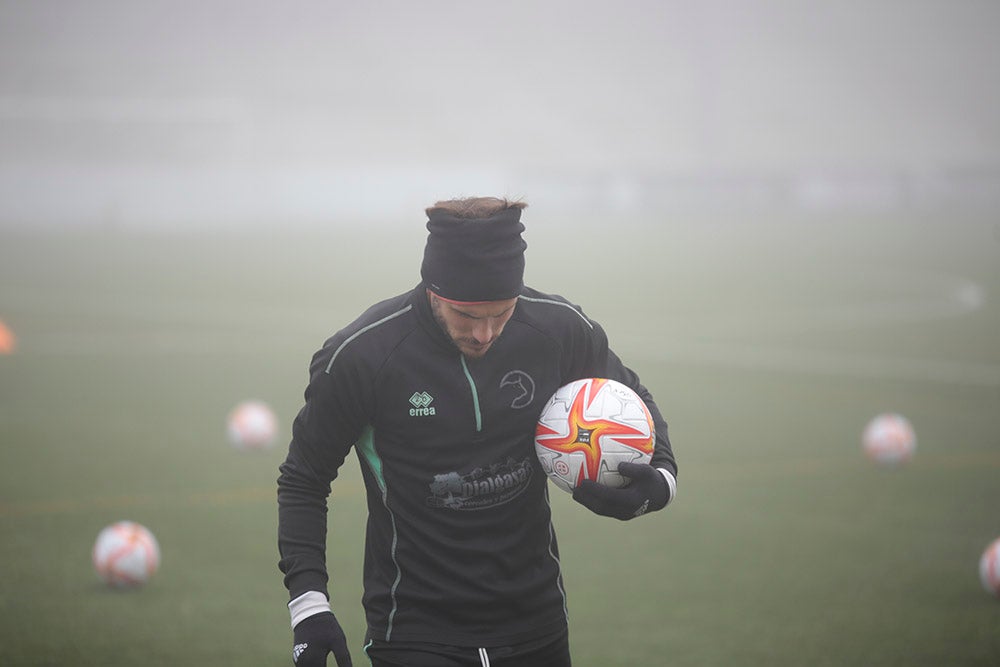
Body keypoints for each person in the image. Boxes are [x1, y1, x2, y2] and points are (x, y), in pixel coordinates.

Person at [277, 196, 678, 667]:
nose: (485, 333)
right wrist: (309, 607)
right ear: (433, 289)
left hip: (538, 621)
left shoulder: (558, 329)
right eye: (466, 315)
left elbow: (631, 395)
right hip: (414, 630)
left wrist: (662, 479)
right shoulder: (363, 355)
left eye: (501, 314)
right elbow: (304, 477)